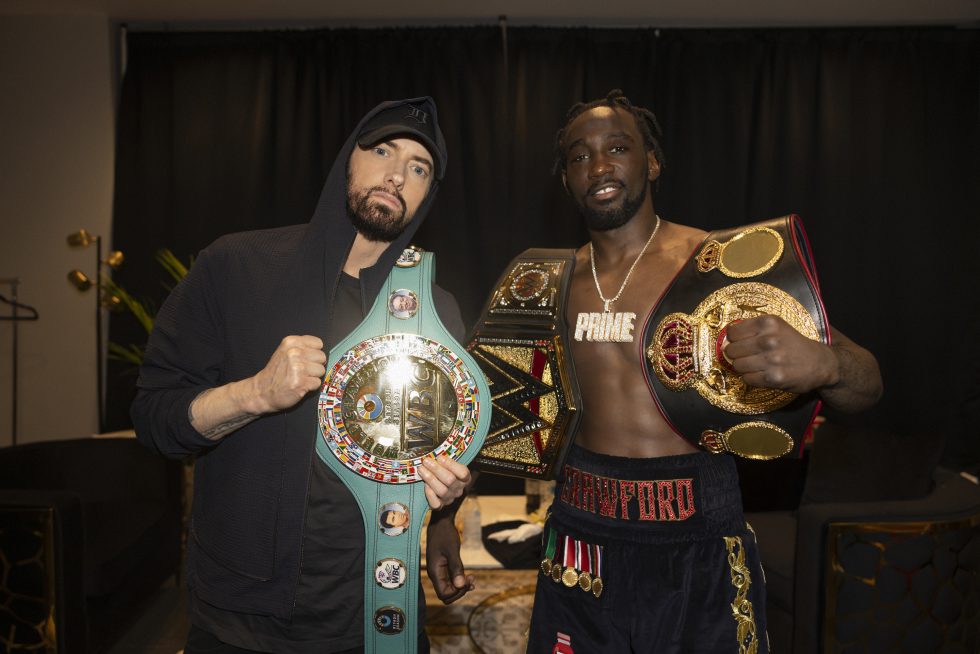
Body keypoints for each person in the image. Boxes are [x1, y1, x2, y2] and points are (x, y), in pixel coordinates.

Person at [525, 90, 883, 653]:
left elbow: (871, 383)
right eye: (578, 156)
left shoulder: (712, 266)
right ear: (565, 178)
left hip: (697, 532)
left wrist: (829, 365)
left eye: (618, 147)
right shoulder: (543, 285)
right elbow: (496, 409)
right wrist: (446, 517)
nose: (598, 166)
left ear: (653, 161)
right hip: (580, 532)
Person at [132, 97, 475, 654]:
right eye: (383, 150)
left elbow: (446, 455)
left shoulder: (436, 311)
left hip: (378, 616)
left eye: (419, 167)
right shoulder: (236, 266)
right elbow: (154, 419)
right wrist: (256, 394)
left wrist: (447, 502)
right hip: (240, 623)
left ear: (427, 194)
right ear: (349, 159)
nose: (396, 174)